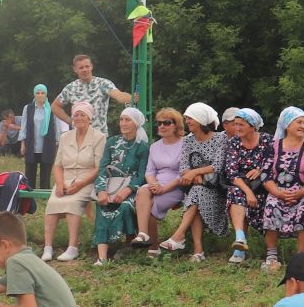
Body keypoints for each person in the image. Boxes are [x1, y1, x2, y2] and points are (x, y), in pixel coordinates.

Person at [154, 103, 224, 261]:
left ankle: (181, 238)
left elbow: (218, 165)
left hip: (216, 189)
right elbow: (183, 167)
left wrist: (195, 172)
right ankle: (196, 251)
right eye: (186, 118)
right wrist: (192, 174)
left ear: (201, 119)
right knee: (195, 195)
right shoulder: (188, 141)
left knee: (195, 195)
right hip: (197, 188)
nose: (187, 121)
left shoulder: (220, 138)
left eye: (191, 118)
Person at [258, 107, 304, 270]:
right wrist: (278, 193)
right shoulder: (274, 146)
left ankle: (300, 257)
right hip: (279, 190)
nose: (303, 126)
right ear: (287, 125)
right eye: (298, 122)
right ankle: (271, 256)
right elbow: (265, 174)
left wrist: (301, 193)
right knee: (271, 206)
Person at [41, 102, 104, 261]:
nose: (79, 118)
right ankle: (48, 247)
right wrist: (60, 183)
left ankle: (72, 247)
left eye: (83, 115)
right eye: (76, 115)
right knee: (52, 205)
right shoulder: (65, 137)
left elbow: (98, 168)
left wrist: (80, 185)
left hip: (87, 179)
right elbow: (57, 165)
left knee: (72, 204)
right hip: (66, 178)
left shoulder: (99, 137)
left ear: (90, 118)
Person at [89, 107, 150, 264]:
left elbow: (142, 174)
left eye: (127, 120)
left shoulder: (142, 147)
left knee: (124, 206)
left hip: (131, 189)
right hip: (110, 187)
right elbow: (102, 168)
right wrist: (101, 190)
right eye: (121, 119)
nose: (123, 123)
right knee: (102, 205)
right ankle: (102, 257)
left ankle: (129, 243)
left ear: (136, 123)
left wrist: (127, 190)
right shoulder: (112, 142)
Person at [222, 108, 276, 266]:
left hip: (263, 185)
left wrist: (260, 170)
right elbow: (231, 172)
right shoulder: (234, 142)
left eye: (241, 124)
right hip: (241, 185)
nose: (237, 128)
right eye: (235, 124)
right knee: (235, 192)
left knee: (241, 196)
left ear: (253, 126)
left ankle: (246, 249)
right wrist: (248, 192)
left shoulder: (267, 140)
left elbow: (273, 163)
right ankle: (240, 240)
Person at [132, 107, 186, 249]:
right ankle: (143, 234)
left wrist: (164, 188)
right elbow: (149, 170)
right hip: (156, 183)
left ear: (176, 125)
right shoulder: (155, 146)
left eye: (167, 122)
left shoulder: (185, 144)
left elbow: (183, 173)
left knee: (150, 207)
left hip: (175, 185)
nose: (162, 126)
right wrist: (153, 184)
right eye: (159, 123)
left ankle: (153, 248)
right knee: (143, 192)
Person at [53, 53, 132, 130]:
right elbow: (55, 106)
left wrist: (132, 98)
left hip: (99, 136)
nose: (85, 70)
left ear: (91, 66)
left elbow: (119, 96)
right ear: (75, 69)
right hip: (77, 137)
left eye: (87, 66)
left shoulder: (103, 83)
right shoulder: (70, 88)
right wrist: (71, 121)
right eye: (81, 67)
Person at [20, 84, 62, 191]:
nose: (40, 95)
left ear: (46, 94)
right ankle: (30, 194)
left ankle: (44, 195)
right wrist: (22, 144)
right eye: (37, 93)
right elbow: (24, 126)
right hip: (32, 144)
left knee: (46, 171)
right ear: (34, 94)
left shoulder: (52, 108)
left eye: (42, 93)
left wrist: (58, 142)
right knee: (30, 171)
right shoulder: (28, 108)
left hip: (47, 145)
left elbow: (56, 126)